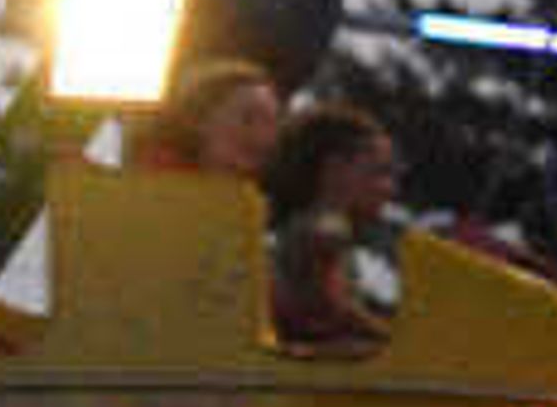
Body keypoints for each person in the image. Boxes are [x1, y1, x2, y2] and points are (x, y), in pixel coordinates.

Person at [264, 98, 401, 351]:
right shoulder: (324, 230)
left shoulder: (310, 226)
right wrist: (392, 339)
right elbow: (333, 310)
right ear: (334, 169)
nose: (390, 189)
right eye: (378, 173)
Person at [128, 62, 284, 187]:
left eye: (271, 123)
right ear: (199, 119)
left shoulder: (254, 203)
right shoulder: (146, 182)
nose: (263, 137)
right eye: (248, 119)